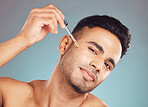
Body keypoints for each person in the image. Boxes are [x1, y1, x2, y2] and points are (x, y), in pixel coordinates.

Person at [0, 4, 131, 107]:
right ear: (65, 45)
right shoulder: (10, 95)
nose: (98, 66)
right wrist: (23, 40)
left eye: (107, 65)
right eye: (93, 50)